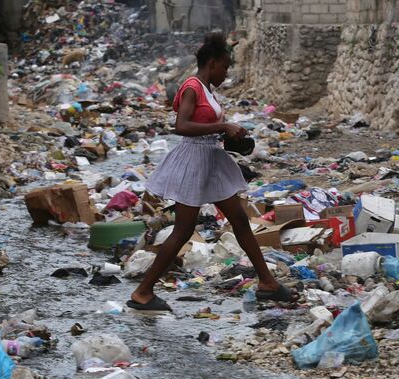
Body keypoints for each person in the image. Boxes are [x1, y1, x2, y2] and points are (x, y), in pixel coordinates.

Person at [127, 33, 296, 311]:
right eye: (225, 67)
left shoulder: (207, 89)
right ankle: (143, 292)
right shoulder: (192, 87)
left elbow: (205, 124)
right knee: (183, 230)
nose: (227, 73)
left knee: (240, 220)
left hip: (211, 160)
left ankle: (267, 282)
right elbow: (181, 125)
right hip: (194, 160)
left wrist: (232, 133)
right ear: (213, 62)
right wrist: (222, 127)